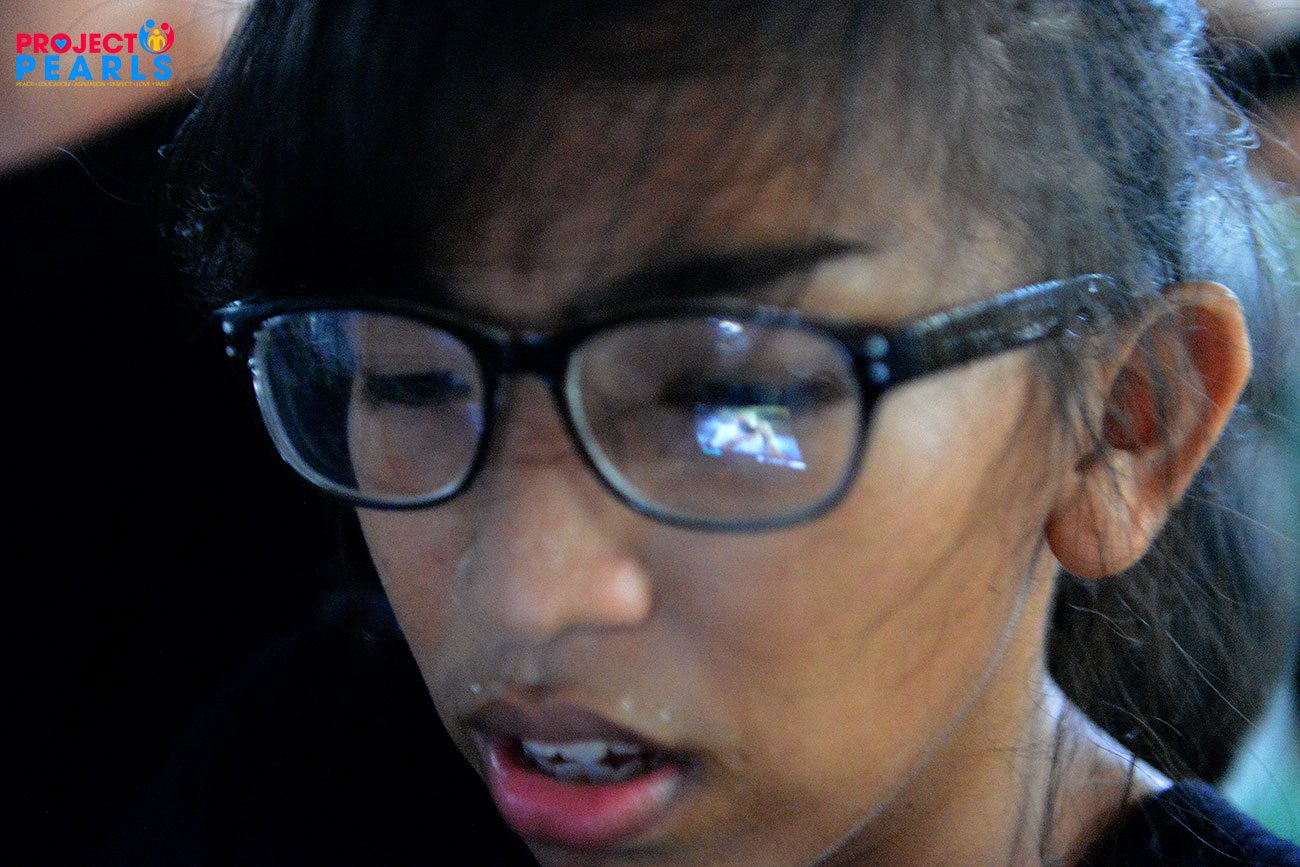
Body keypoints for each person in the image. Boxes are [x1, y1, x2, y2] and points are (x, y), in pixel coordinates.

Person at [150, 0, 1300, 864]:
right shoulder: (298, 780)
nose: (519, 596)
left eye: (724, 399)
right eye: (411, 382)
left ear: (1122, 427)